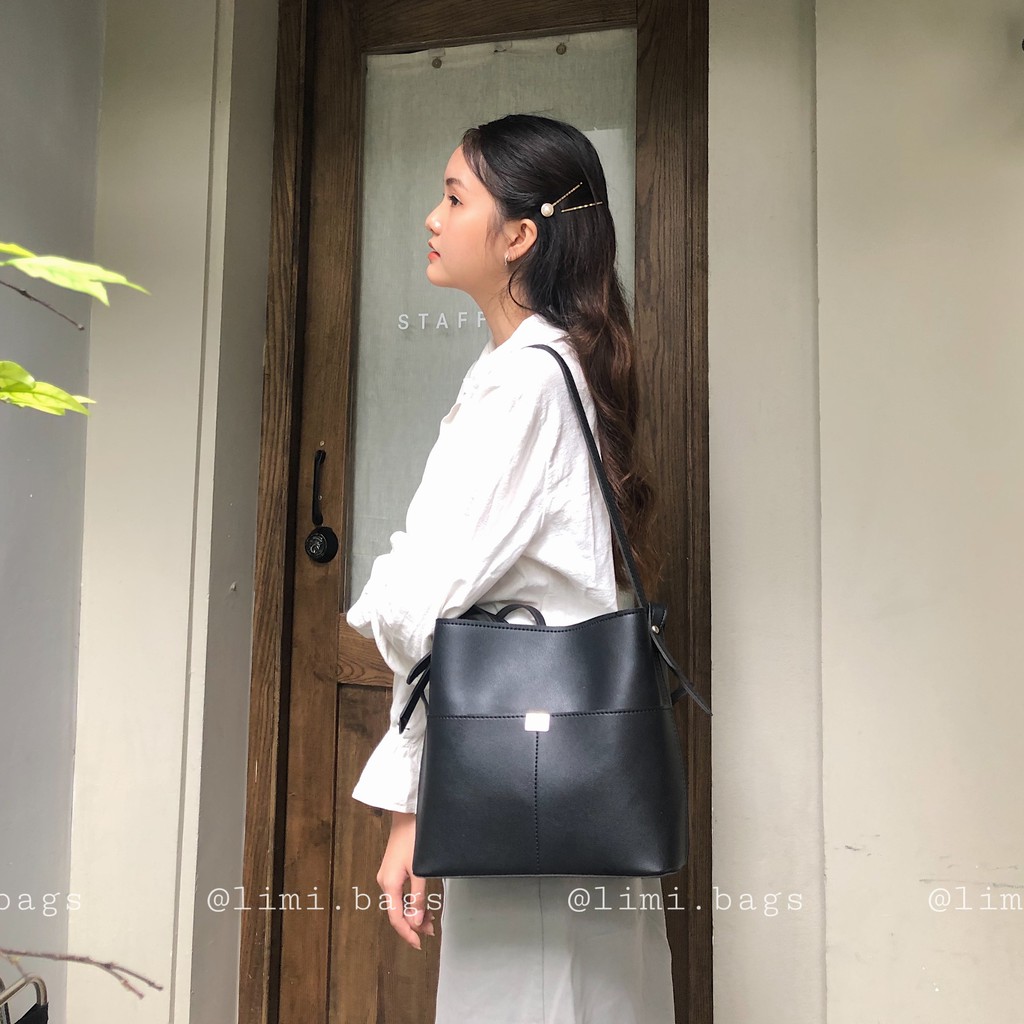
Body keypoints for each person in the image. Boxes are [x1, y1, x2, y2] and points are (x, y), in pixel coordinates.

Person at [346, 113, 675, 1023]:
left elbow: (421, 608)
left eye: (455, 198)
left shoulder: (524, 382)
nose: (432, 218)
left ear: (520, 236)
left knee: (535, 995)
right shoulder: (544, 366)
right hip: (562, 772)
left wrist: (408, 803)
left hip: (523, 782)